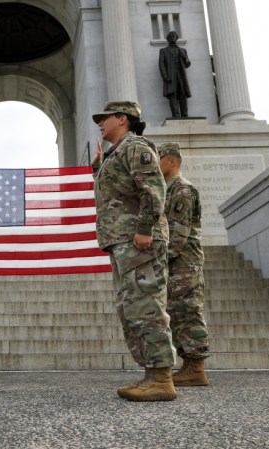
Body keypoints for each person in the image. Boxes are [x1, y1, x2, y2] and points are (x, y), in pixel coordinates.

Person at [92, 101, 176, 402]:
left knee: (147, 307)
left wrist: (144, 228)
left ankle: (162, 378)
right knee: (132, 309)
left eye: (104, 118)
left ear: (122, 119)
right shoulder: (117, 152)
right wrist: (96, 169)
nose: (100, 124)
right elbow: (116, 192)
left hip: (138, 240)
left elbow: (153, 189)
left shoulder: (135, 146)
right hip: (123, 242)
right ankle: (151, 374)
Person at [158, 142, 210, 386]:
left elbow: (177, 235)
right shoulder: (168, 189)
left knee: (188, 311)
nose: (155, 164)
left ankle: (196, 367)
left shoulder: (182, 190)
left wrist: (158, 259)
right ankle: (189, 365)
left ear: (172, 161)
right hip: (175, 264)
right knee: (177, 312)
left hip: (184, 263)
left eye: (159, 158)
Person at [158, 31, 191, 118]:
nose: (172, 37)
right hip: (171, 77)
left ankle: (185, 114)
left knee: (183, 94)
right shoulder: (163, 51)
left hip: (181, 76)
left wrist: (183, 56)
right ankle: (175, 114)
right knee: (173, 94)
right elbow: (161, 64)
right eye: (170, 35)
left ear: (177, 38)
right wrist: (165, 76)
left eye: (174, 35)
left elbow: (187, 64)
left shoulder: (183, 51)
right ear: (167, 39)